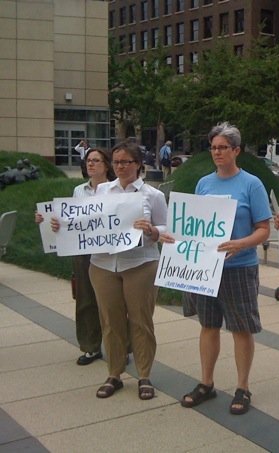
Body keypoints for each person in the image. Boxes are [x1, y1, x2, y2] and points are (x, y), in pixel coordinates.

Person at [172, 122, 271, 415]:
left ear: (236, 150)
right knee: (208, 325)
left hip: (239, 267)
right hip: (206, 267)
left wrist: (240, 244)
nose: (217, 152)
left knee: (241, 328)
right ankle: (206, 382)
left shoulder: (251, 184)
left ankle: (243, 387)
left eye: (223, 148)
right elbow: (193, 225)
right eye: (213, 147)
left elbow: (263, 229)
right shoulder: (204, 183)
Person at [88, 141, 167, 400]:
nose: (121, 167)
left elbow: (166, 230)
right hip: (103, 264)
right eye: (117, 162)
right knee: (110, 321)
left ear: (138, 165)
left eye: (126, 162)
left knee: (141, 321)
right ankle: (114, 373)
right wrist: (53, 223)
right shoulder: (101, 191)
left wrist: (153, 231)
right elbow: (79, 221)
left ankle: (144, 375)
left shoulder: (153, 195)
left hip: (140, 264)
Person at [37, 148, 115, 365]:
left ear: (106, 165)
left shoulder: (115, 190)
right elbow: (68, 220)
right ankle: (91, 346)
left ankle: (120, 348)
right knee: (85, 299)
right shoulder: (78, 191)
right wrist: (47, 221)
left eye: (96, 161)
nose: (91, 164)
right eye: (89, 161)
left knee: (113, 302)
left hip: (109, 252)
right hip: (83, 252)